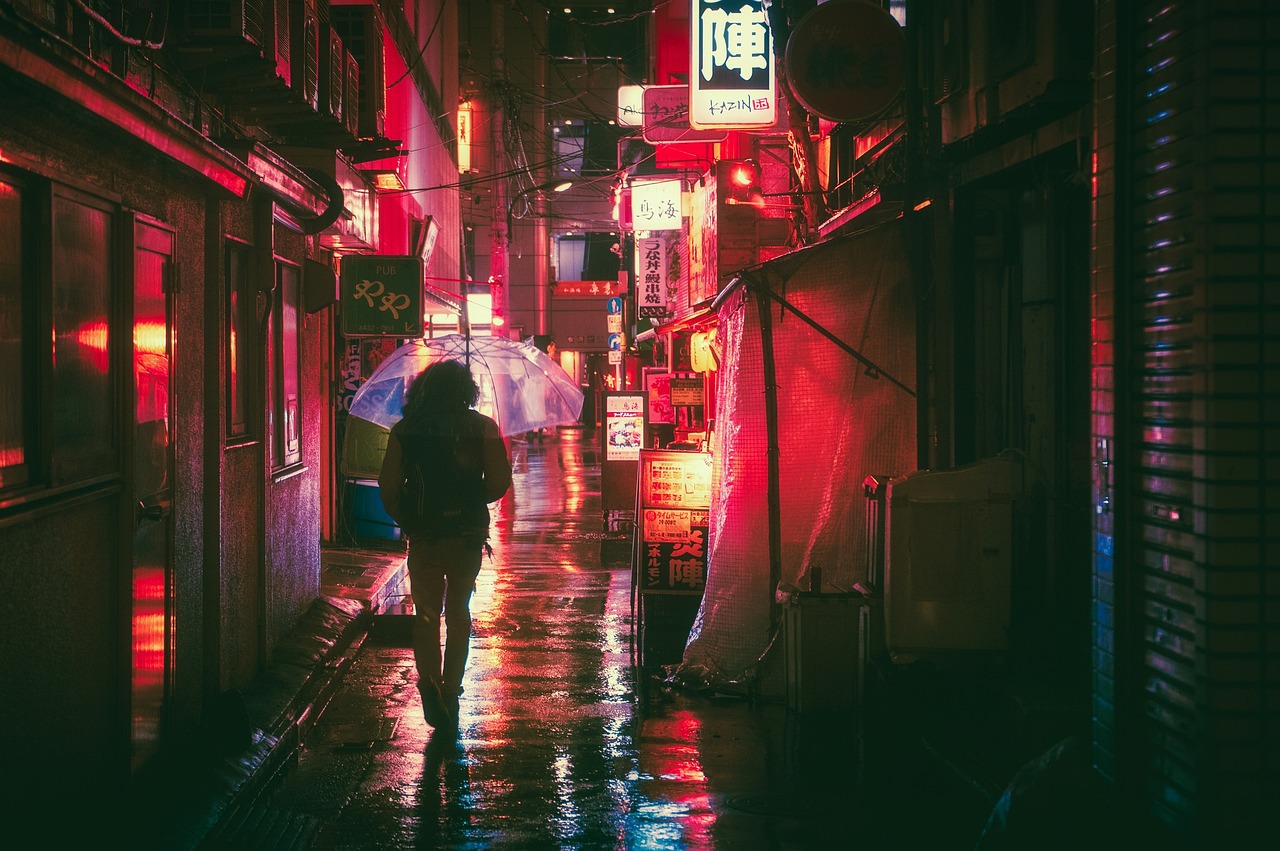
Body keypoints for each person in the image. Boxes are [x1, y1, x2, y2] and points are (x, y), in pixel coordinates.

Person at [378, 360, 512, 731]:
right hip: (467, 534)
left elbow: (388, 485)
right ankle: (451, 690)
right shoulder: (483, 428)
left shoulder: (406, 430)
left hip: (424, 534)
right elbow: (498, 481)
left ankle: (428, 682)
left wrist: (408, 518)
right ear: (466, 390)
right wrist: (472, 499)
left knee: (425, 613)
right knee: (458, 610)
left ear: (425, 389)